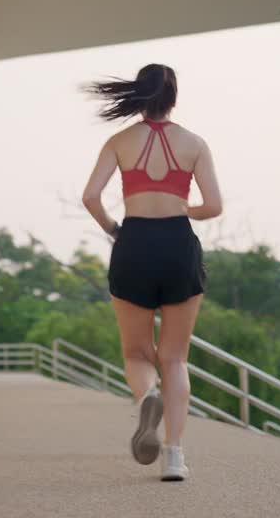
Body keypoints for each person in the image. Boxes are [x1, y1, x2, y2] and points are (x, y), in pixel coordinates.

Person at [81, 63, 223, 482]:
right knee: (174, 357)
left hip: (134, 244)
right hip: (178, 245)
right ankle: (174, 457)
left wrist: (113, 229)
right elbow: (214, 206)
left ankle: (148, 396)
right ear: (174, 97)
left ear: (139, 96)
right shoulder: (194, 143)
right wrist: (184, 209)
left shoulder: (119, 141)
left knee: (136, 353)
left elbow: (90, 196)